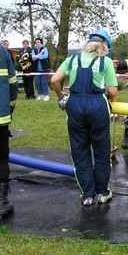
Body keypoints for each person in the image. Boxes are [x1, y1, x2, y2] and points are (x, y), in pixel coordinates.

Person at [51, 29, 118, 206]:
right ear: (105, 46)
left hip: (75, 105)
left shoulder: (71, 59)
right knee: (102, 151)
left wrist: (60, 97)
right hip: (97, 106)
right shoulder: (106, 61)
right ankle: (103, 193)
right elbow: (112, 90)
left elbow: (54, 80)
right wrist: (113, 103)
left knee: (80, 151)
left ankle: (87, 195)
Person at [0, 40, 18, 216]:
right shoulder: (0, 51)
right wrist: (8, 109)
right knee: (0, 159)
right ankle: (2, 203)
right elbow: (13, 84)